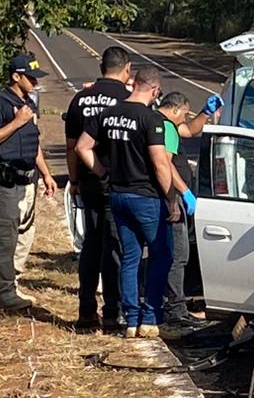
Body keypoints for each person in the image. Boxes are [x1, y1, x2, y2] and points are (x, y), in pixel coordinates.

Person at [74, 68, 177, 338]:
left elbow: (82, 147)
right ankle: (150, 318)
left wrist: (103, 174)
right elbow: (159, 162)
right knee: (161, 255)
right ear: (154, 91)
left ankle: (131, 320)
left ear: (136, 85)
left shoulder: (107, 114)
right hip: (146, 197)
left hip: (117, 196)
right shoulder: (151, 118)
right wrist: (172, 198)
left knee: (129, 258)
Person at [63, 46, 132, 331]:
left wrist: (75, 180)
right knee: (115, 247)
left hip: (89, 183)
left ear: (102, 67)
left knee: (92, 244)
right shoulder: (128, 99)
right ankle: (112, 312)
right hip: (118, 183)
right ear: (126, 69)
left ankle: (86, 312)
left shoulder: (80, 100)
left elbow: (71, 148)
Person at [0, 54, 58, 310]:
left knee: (25, 235)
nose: (35, 82)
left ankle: (13, 285)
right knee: (6, 237)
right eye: (31, 77)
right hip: (7, 181)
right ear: (16, 77)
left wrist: (46, 174)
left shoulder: (27, 104)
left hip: (28, 181)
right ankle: (3, 290)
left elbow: (33, 143)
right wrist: (17, 122)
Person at [156, 90, 222, 332]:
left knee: (174, 253)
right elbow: (165, 163)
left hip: (172, 197)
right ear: (174, 109)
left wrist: (206, 112)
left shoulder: (168, 125)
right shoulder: (167, 128)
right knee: (178, 254)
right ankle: (175, 310)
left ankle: (175, 306)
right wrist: (183, 192)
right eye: (184, 113)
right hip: (173, 198)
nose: (185, 118)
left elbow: (191, 130)